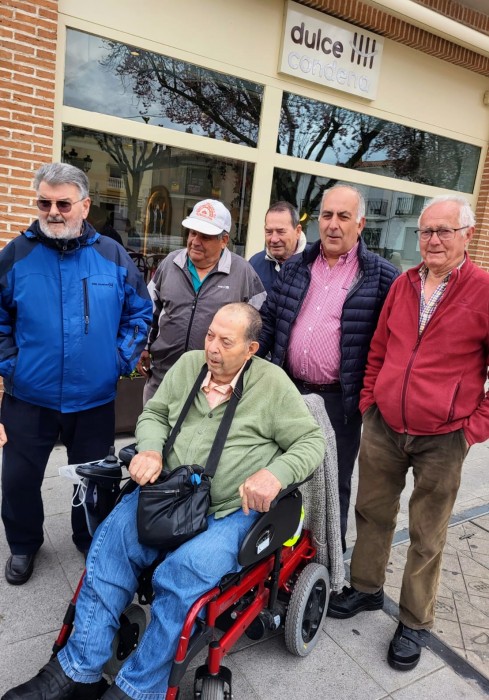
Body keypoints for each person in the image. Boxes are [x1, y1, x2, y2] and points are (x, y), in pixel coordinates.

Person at [2, 303, 325, 700]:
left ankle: (139, 689)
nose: (212, 348)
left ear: (251, 348)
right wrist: (152, 449)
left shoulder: (272, 384)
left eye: (226, 342)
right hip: (171, 492)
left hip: (229, 511)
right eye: (210, 335)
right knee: (109, 546)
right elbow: (154, 413)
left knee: (182, 572)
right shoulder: (189, 366)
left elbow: (311, 442)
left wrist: (275, 474)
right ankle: (78, 670)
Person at [327, 195, 489, 671]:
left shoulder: (483, 291)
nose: (433, 240)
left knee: (426, 532)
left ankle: (415, 622)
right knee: (372, 512)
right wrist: (369, 402)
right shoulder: (404, 284)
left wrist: (473, 428)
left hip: (444, 436)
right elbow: (379, 348)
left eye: (444, 231)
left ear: (467, 235)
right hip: (384, 425)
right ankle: (366, 589)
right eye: (426, 231)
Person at [0, 162, 152, 585]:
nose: (53, 212)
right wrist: (12, 365)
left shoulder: (112, 255)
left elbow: (139, 312)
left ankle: (90, 538)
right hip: (29, 397)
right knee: (18, 479)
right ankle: (24, 544)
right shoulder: (16, 255)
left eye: (63, 204)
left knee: (94, 480)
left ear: (84, 206)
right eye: (44, 203)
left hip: (93, 399)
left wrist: (119, 360)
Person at [258, 184, 399, 550]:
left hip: (341, 402)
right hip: (289, 391)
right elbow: (269, 321)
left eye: (343, 216)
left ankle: (328, 560)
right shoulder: (296, 267)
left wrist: (372, 401)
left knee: (332, 483)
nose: (333, 224)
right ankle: (281, 558)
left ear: (360, 224)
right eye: (327, 215)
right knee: (281, 473)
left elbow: (392, 345)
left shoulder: (383, 277)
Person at [137, 199, 266, 403]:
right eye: (192, 233)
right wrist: (142, 346)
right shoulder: (170, 264)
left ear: (224, 240)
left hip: (214, 384)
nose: (195, 241)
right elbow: (147, 308)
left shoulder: (243, 273)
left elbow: (259, 327)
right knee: (154, 422)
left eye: (205, 236)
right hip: (163, 376)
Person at [248, 201, 307, 294]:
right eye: (269, 232)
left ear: (298, 231)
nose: (274, 239)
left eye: (281, 232)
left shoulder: (315, 264)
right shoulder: (254, 264)